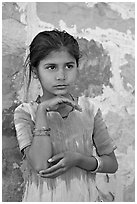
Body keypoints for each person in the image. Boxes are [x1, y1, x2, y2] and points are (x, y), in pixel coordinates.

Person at [14, 29, 118, 202]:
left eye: (69, 66)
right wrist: (42, 111)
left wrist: (78, 160)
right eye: (51, 67)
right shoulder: (26, 113)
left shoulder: (89, 110)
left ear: (77, 66)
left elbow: (112, 164)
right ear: (35, 71)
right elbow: (40, 165)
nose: (61, 76)